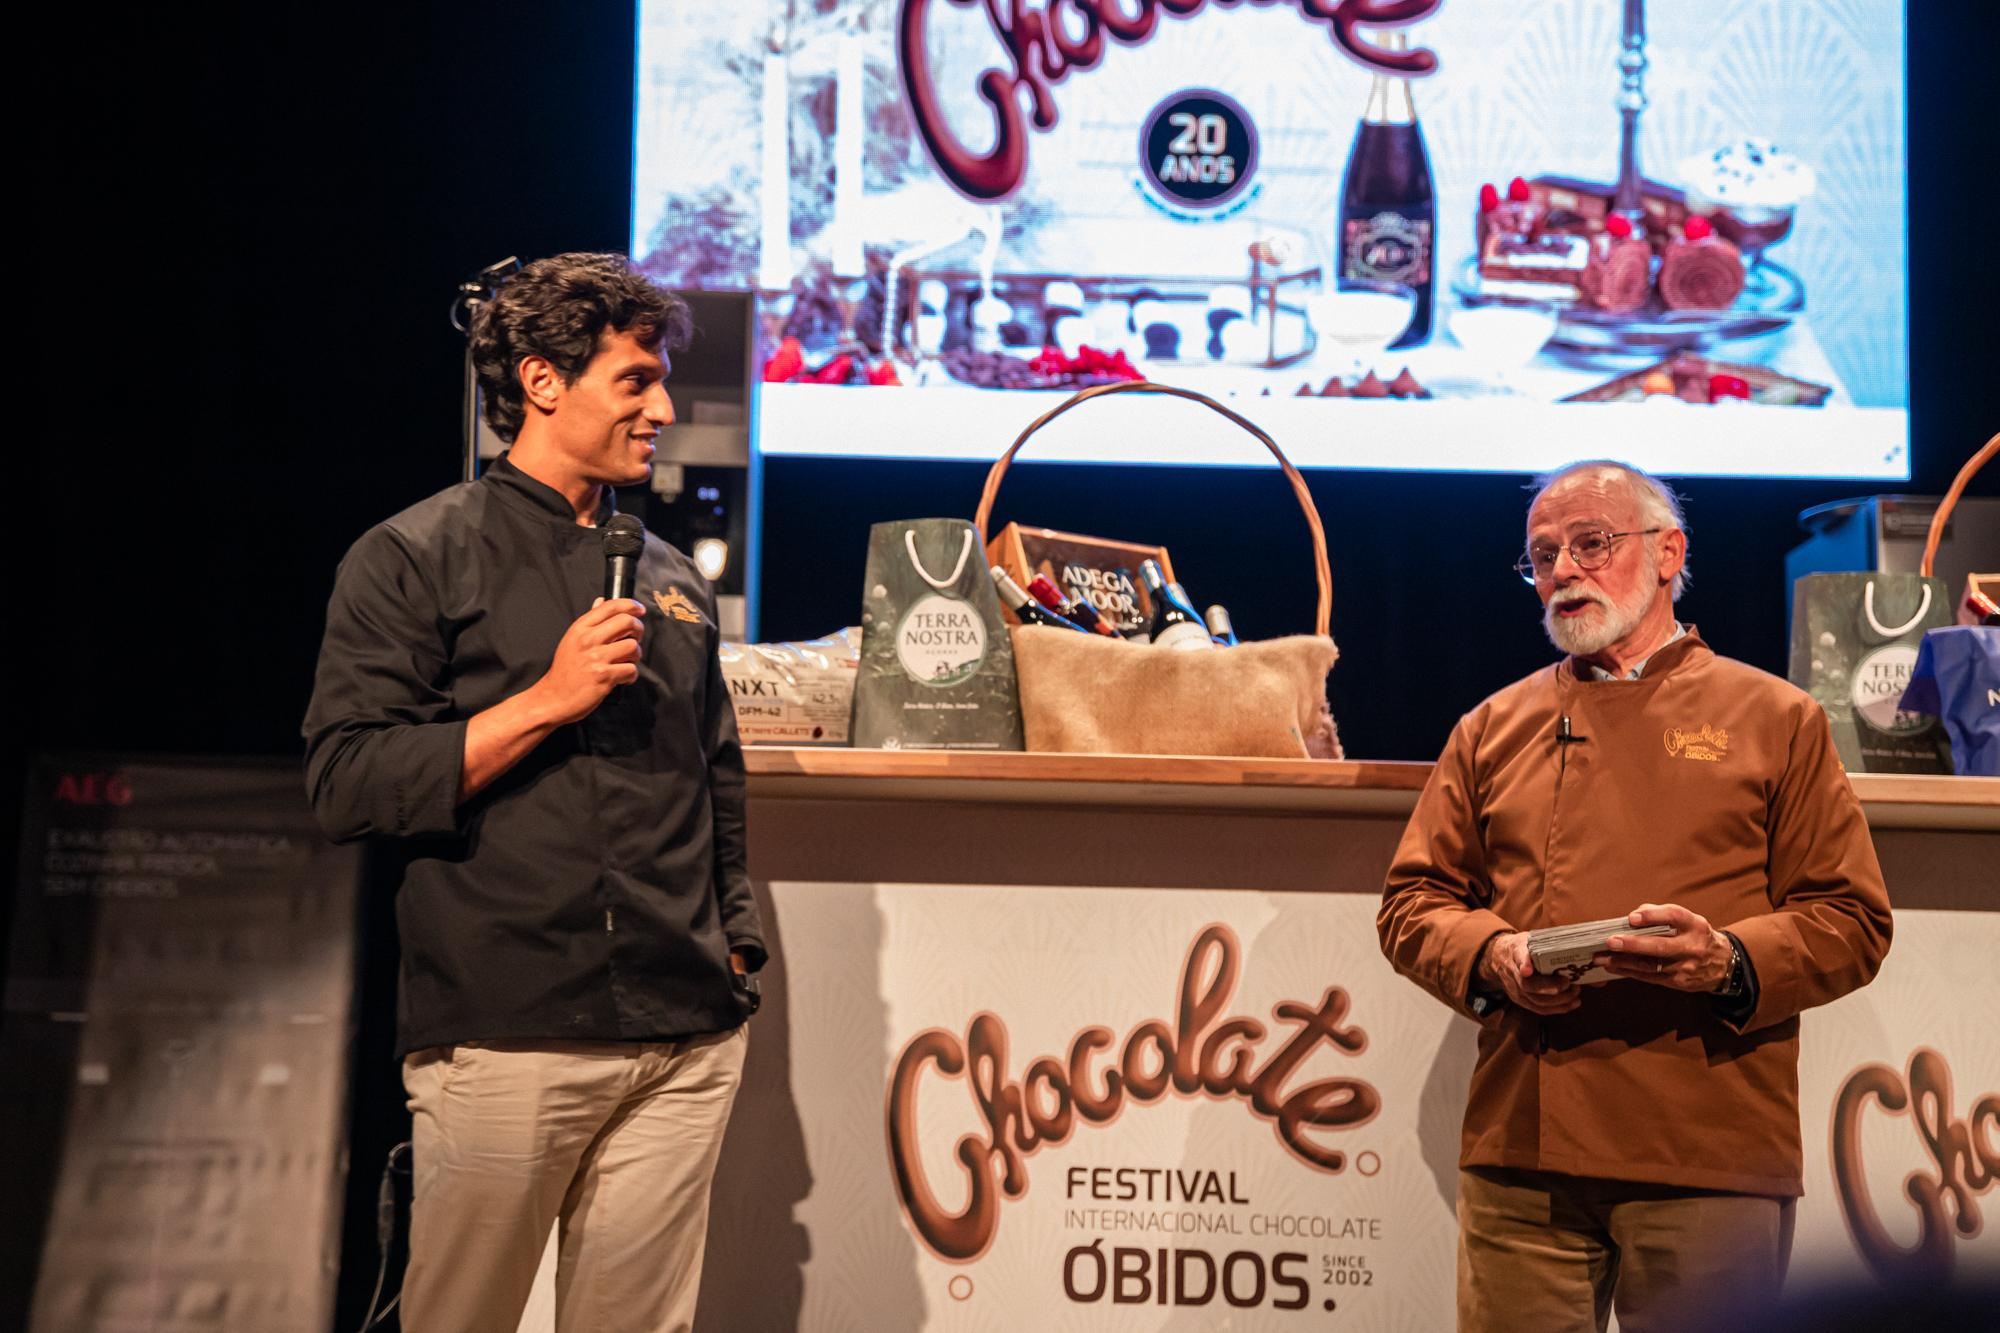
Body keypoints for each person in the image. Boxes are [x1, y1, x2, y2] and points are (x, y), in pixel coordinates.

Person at [303, 252, 765, 1332]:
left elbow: (716, 780)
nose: (660, 407)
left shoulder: (668, 573)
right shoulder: (414, 556)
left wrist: (734, 949)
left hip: (682, 1032)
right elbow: (346, 781)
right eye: (634, 382)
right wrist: (546, 700)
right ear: (542, 381)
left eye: (659, 382)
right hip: (510, 1029)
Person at [1377, 460, 1892, 1333]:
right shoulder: (1492, 726)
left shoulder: (1775, 717)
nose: (1565, 571)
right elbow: (1413, 902)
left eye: (1592, 544)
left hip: (1709, 1147)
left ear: (1668, 553)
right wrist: (1494, 955)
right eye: (1543, 556)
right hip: (1523, 1159)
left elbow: (1851, 920)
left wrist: (1725, 960)